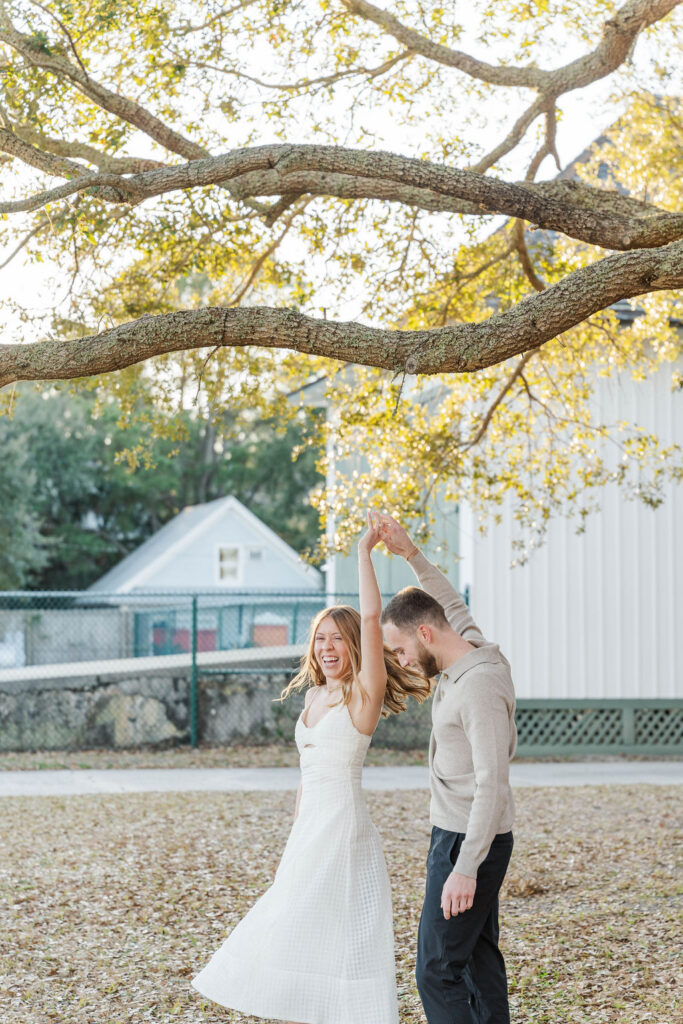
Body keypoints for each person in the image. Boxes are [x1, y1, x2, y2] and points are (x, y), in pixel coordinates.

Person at [191, 511, 431, 1024]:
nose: (327, 647)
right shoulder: (315, 696)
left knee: (338, 934)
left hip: (344, 831)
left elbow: (370, 619)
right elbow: (306, 774)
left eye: (337, 639)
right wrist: (295, 834)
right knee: (294, 927)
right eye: (321, 638)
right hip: (310, 830)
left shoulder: (362, 698)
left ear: (352, 646)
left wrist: (364, 554)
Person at [377, 513, 517, 1024]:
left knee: (436, 970)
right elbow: (450, 602)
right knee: (478, 962)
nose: (402, 661)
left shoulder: (478, 684)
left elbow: (491, 784)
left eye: (400, 650)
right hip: (460, 836)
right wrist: (409, 553)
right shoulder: (472, 648)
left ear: (424, 633)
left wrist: (464, 868)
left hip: (468, 841)